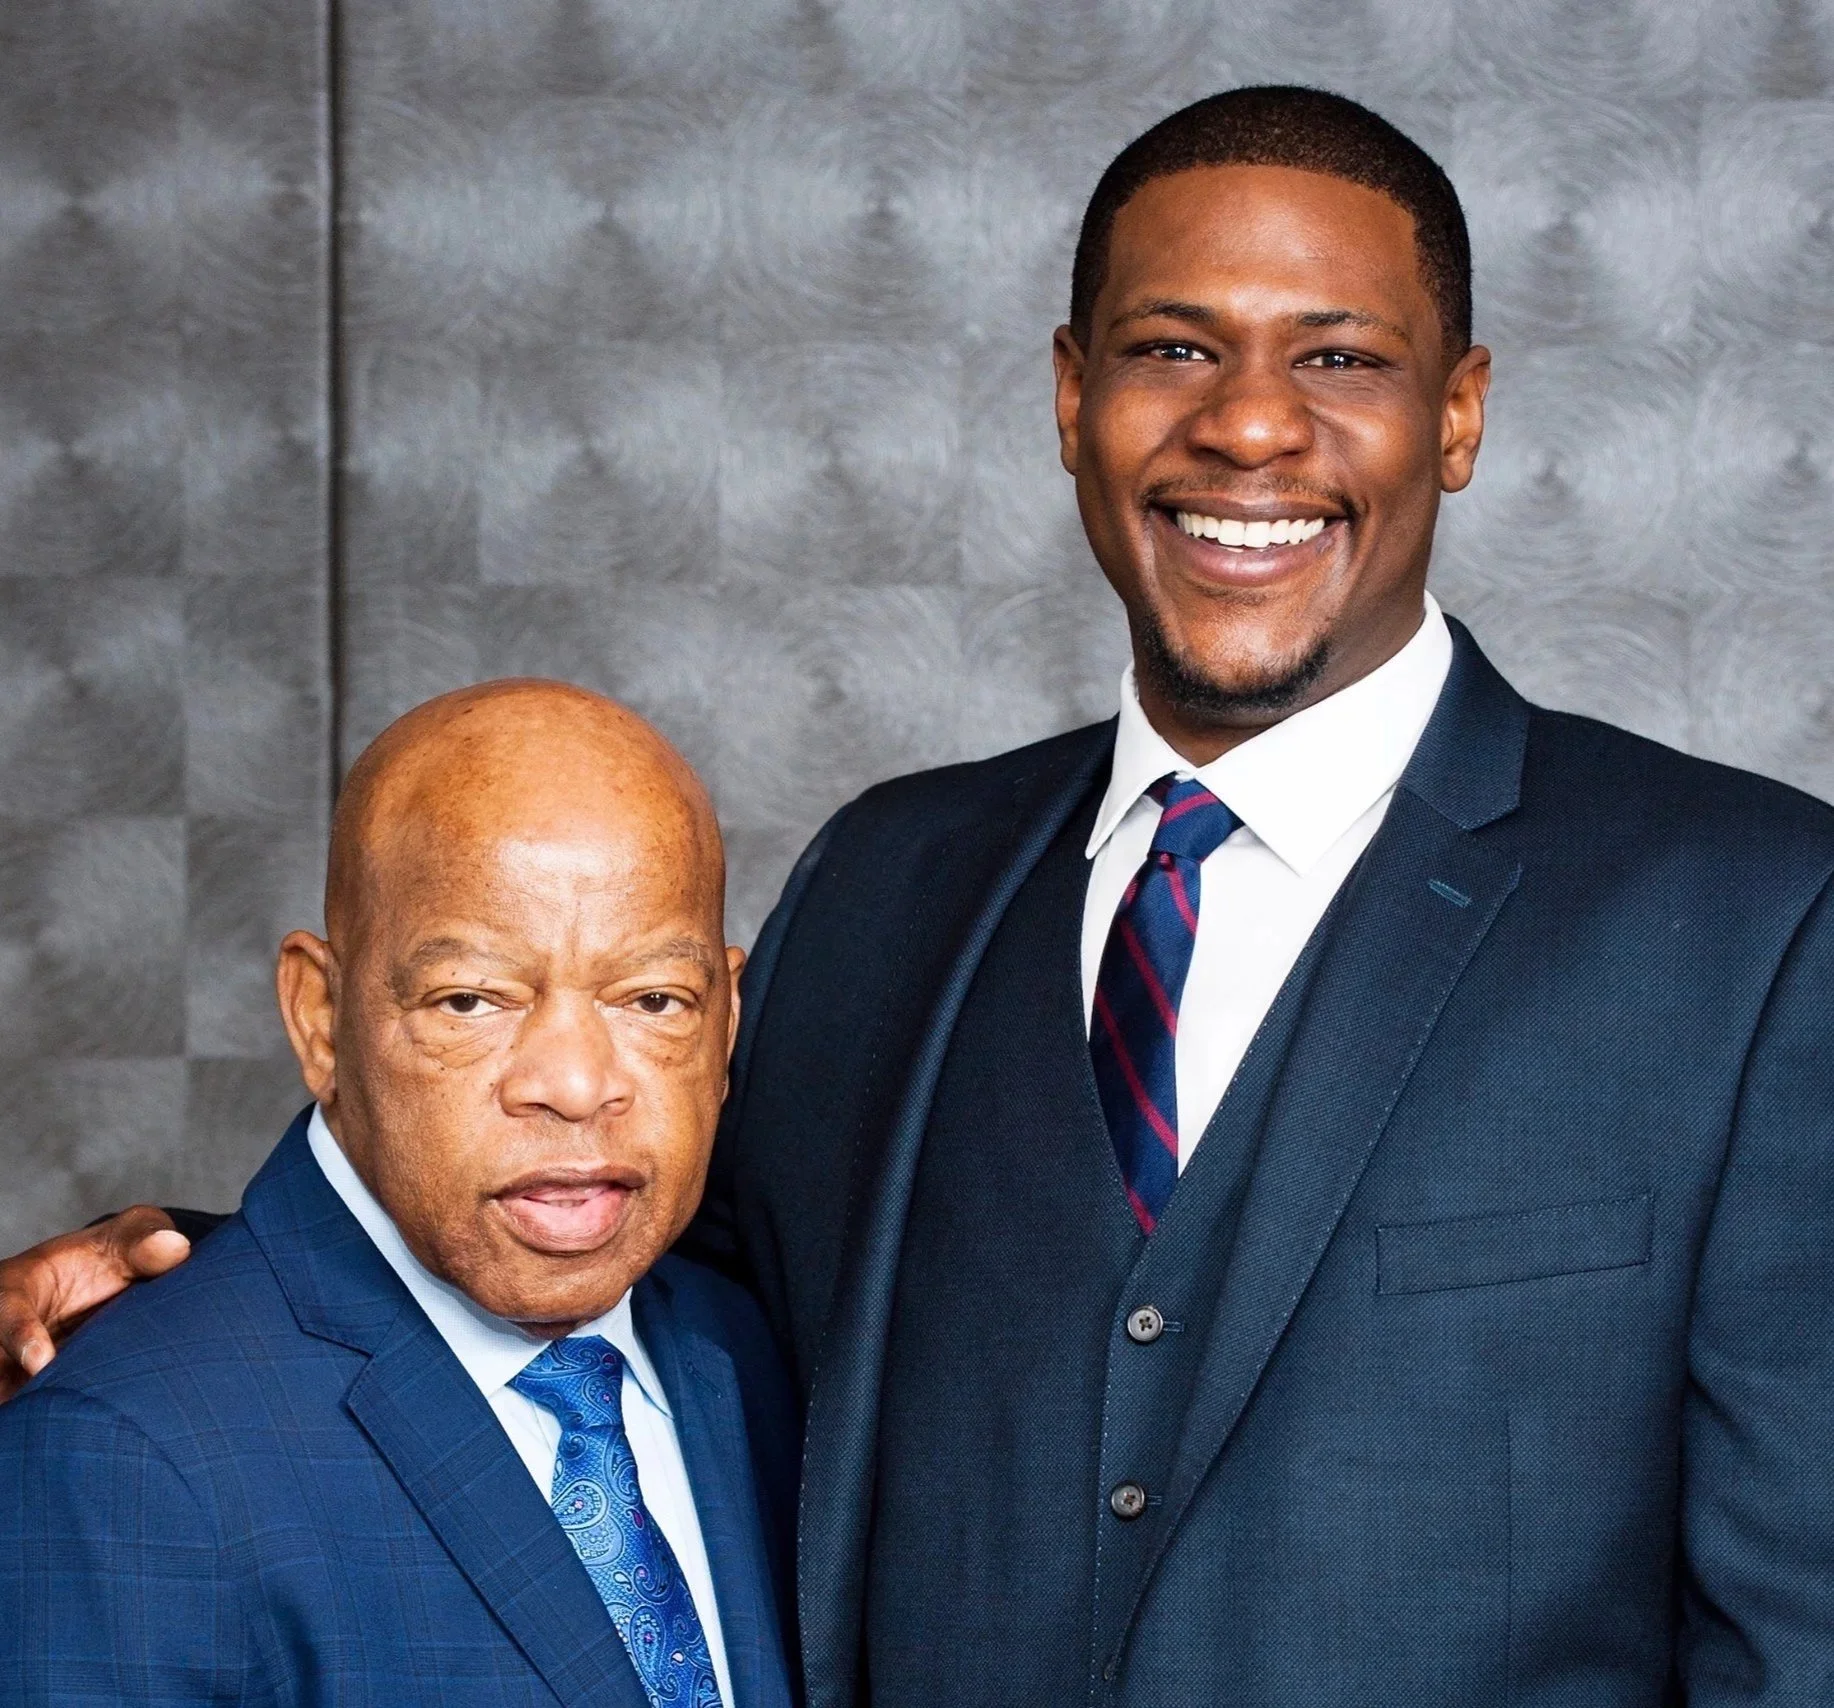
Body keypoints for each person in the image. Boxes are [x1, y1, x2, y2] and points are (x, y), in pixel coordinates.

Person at [7, 83, 1834, 1705]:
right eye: (1171, 349)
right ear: (1068, 398)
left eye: (1338, 358)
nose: (1249, 432)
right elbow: (622, 1270)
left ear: (1458, 411)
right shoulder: (895, 878)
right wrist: (201, 1286)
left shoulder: (1748, 924)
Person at [0, 681, 798, 1708]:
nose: (575, 1081)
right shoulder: (117, 1461)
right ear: (321, 1018)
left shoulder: (761, 1360)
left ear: (725, 1020)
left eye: (653, 999)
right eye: (470, 999)